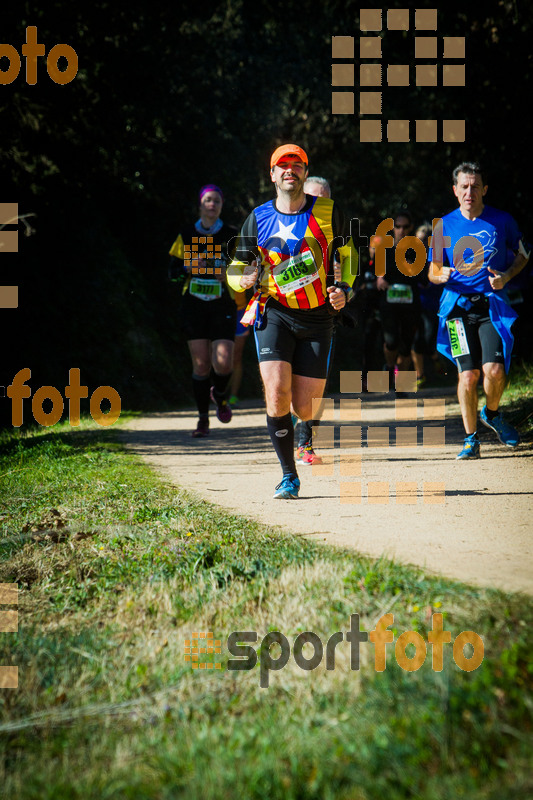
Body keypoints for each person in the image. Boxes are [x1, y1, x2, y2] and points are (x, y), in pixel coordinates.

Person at [227, 144, 357, 498]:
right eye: (282, 165)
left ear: (304, 172)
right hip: (274, 312)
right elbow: (236, 266)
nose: (289, 170)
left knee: (305, 406)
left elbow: (348, 256)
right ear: (272, 175)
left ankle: (302, 437)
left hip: (318, 317)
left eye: (296, 165)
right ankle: (289, 475)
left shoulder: (328, 212)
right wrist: (242, 279)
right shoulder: (258, 218)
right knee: (276, 390)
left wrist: (345, 289)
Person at [428, 161, 529, 459]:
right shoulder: (441, 226)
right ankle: (471, 439)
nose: (469, 191)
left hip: (492, 306)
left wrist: (507, 277)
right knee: (468, 376)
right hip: (457, 309)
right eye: (464, 186)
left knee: (494, 371)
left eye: (475, 186)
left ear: (484, 189)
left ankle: (493, 413)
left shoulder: (502, 221)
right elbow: (431, 271)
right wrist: (439, 275)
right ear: (455, 190)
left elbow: (524, 254)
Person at [168, 184, 237, 437]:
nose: (212, 204)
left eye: (216, 201)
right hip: (194, 305)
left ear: (221, 205)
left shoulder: (232, 234)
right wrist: (188, 268)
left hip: (222, 304)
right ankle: (202, 420)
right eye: (208, 200)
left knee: (223, 363)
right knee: (200, 365)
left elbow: (246, 269)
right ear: (200, 204)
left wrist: (226, 274)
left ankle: (219, 395)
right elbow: (171, 273)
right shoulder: (186, 234)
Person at [376, 210, 423, 390]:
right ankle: (389, 367)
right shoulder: (385, 249)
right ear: (393, 228)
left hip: (411, 305)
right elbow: (377, 274)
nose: (401, 230)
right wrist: (380, 279)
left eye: (405, 226)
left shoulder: (418, 249)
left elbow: (422, 276)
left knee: (406, 344)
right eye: (398, 226)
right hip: (389, 305)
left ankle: (401, 384)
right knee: (391, 341)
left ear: (411, 227)